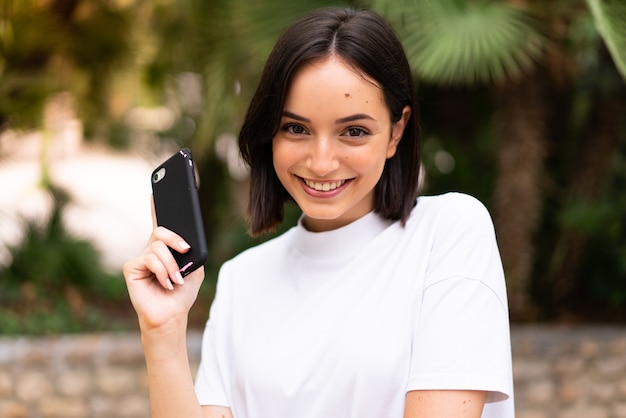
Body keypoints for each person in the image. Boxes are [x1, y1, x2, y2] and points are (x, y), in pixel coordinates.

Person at [123, 7, 514, 418]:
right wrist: (162, 333)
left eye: (354, 131)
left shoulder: (449, 232)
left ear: (396, 132)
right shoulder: (243, 280)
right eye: (296, 128)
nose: (322, 162)